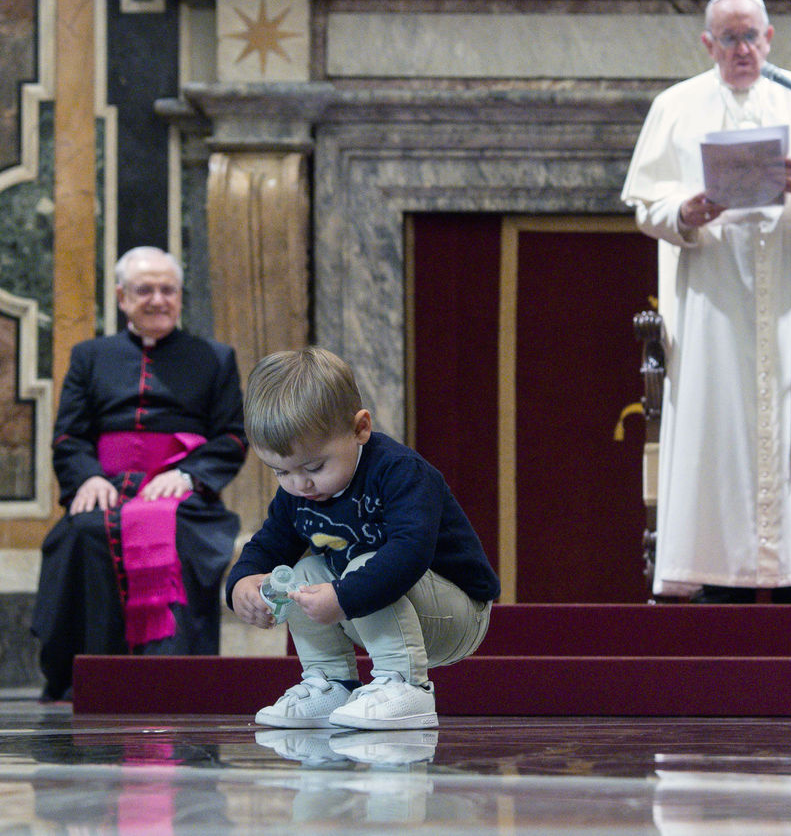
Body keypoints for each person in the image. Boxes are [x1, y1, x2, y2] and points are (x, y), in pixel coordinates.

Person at [620, 0, 791, 603]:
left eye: (751, 37)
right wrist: (683, 211)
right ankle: (723, 580)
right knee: (723, 439)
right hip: (719, 302)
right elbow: (646, 205)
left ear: (769, 39)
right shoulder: (676, 106)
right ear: (708, 44)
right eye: (729, 39)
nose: (742, 49)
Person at [226, 346, 499, 730]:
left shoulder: (401, 472)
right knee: (301, 574)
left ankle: (408, 686)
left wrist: (343, 595)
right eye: (280, 472)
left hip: (455, 615)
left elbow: (409, 554)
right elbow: (269, 544)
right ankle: (330, 684)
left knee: (366, 562)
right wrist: (242, 583)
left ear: (360, 429)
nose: (300, 485)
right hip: (370, 608)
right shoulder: (299, 492)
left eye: (314, 467)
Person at [32, 246, 247, 701]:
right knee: (83, 532)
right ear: (122, 297)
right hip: (105, 487)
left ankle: (175, 679)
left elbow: (232, 437)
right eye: (145, 289)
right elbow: (68, 436)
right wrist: (87, 477)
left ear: (180, 296)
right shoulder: (90, 356)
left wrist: (188, 474)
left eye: (168, 290)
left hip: (180, 489)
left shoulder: (215, 357)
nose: (158, 299)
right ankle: (88, 680)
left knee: (178, 532)